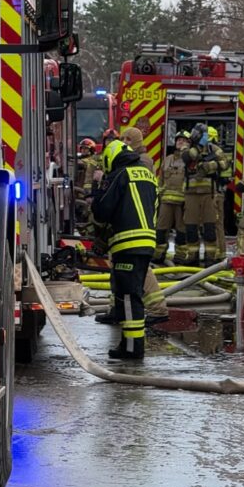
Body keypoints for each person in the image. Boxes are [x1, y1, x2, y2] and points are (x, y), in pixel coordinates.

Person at [91, 139, 158, 360]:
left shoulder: (121, 175)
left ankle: (132, 348)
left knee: (129, 296)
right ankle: (129, 344)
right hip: (146, 242)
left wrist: (98, 186)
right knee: (129, 295)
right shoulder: (147, 174)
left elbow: (103, 210)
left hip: (128, 243)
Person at [119, 127, 169, 327]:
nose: (124, 141)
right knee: (119, 265)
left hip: (140, 223)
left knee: (141, 266)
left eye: (127, 138)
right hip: (133, 221)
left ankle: (158, 309)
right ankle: (118, 308)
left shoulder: (143, 161)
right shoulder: (136, 159)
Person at [181, 122, 223, 265]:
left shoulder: (213, 149)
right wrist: (199, 146)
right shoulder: (187, 147)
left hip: (208, 194)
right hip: (191, 194)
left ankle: (210, 257)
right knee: (191, 227)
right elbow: (187, 157)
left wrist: (210, 166)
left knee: (210, 227)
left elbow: (225, 163)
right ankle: (192, 256)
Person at [155, 130, 189, 265]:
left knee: (182, 231)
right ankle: (158, 255)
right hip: (166, 201)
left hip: (183, 202)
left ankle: (180, 256)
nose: (180, 142)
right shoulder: (168, 159)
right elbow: (161, 179)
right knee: (161, 229)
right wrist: (158, 195)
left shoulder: (189, 160)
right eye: (178, 140)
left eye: (184, 140)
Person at [207, 125, 231, 259]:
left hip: (215, 192)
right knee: (215, 223)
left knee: (215, 223)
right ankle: (217, 252)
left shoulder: (215, 151)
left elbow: (223, 166)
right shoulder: (216, 151)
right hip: (212, 192)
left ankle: (218, 253)